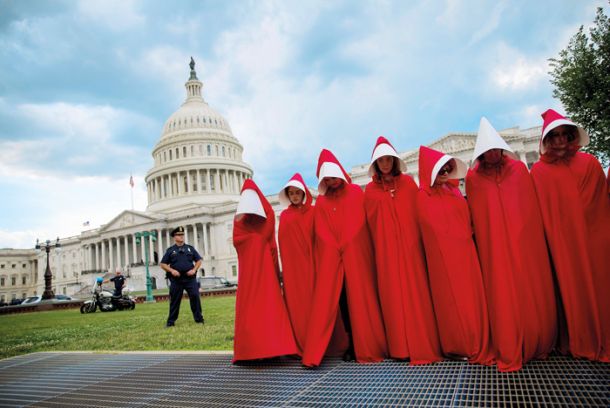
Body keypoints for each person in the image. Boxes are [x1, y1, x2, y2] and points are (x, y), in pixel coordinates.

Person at [465, 118, 557, 371]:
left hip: (523, 242)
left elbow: (528, 208)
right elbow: (478, 215)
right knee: (502, 293)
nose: (493, 154)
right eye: (487, 151)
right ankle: (511, 340)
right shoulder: (473, 180)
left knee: (531, 288)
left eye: (495, 149)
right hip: (494, 248)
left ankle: (538, 338)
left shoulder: (519, 169)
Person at [530, 109, 610, 362]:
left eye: (565, 134)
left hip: (596, 238)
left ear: (573, 136)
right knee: (572, 290)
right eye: (554, 136)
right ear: (546, 141)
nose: (561, 140)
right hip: (563, 245)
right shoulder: (539, 173)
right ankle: (582, 338)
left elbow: (599, 203)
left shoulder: (590, 162)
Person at [302, 149, 387, 367]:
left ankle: (367, 343)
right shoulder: (321, 202)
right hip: (335, 259)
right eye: (327, 179)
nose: (331, 182)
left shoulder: (356, 192)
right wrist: (335, 247)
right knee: (342, 302)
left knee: (360, 297)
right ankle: (350, 342)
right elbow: (321, 230)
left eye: (332, 177)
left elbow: (360, 220)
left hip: (356, 256)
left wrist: (348, 243)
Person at [364, 136, 442, 364]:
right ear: (376, 164)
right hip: (386, 253)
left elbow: (419, 214)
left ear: (395, 161)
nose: (386, 164)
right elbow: (371, 225)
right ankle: (399, 347)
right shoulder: (369, 191)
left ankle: (423, 342)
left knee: (418, 295)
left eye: (389, 159)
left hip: (411, 250)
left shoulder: (408, 184)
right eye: (381, 160)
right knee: (393, 298)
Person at [416, 145, 493, 365]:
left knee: (471, 297)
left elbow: (465, 218)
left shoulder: (454, 191)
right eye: (440, 169)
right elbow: (430, 227)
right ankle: (460, 343)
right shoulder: (423, 195)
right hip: (445, 258)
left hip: (465, 251)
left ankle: (477, 336)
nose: (445, 173)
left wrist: (465, 237)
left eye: (447, 169)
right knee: (452, 300)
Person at [232, 179, 298, 363]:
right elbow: (239, 240)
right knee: (256, 307)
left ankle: (273, 347)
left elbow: (268, 238)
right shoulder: (240, 218)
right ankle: (252, 349)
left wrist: (255, 242)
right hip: (250, 271)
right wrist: (255, 241)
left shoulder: (266, 213)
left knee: (269, 305)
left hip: (266, 269)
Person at [278, 173, 316, 354]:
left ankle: (317, 341)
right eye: (291, 193)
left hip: (311, 265)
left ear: (303, 193)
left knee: (314, 303)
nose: (294, 196)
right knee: (298, 306)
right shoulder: (285, 216)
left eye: (297, 192)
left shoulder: (313, 212)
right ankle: (301, 343)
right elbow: (284, 244)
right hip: (293, 270)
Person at [159, 226, 204, 327]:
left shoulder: (190, 248)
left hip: (190, 279)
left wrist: (194, 270)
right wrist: (172, 270)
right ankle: (171, 322)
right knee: (175, 300)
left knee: (195, 297)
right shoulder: (170, 250)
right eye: (179, 235)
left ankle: (199, 319)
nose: (181, 236)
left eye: (182, 234)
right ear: (174, 237)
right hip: (176, 280)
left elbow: (199, 260)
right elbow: (163, 264)